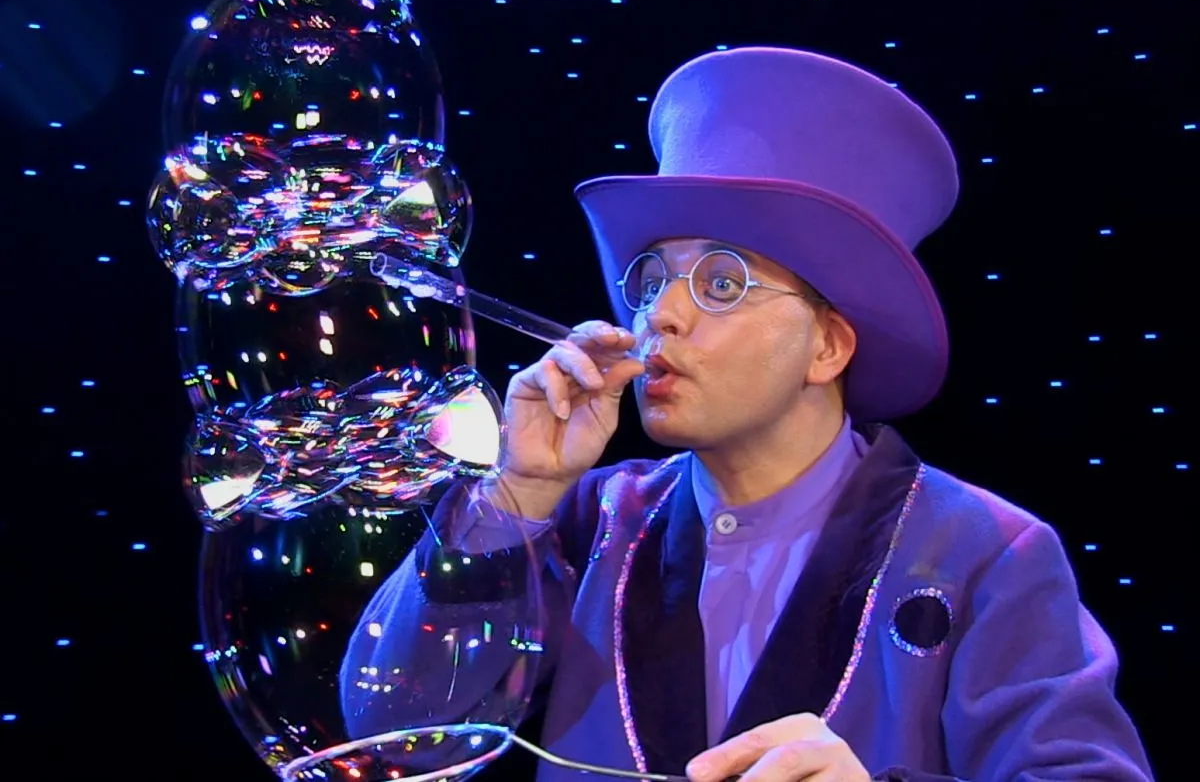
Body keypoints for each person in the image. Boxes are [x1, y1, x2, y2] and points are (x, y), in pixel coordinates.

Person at [342, 47, 1154, 781]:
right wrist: (516, 490)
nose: (660, 315)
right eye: (651, 280)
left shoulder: (984, 551)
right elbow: (392, 732)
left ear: (827, 347)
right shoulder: (589, 520)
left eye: (722, 283)